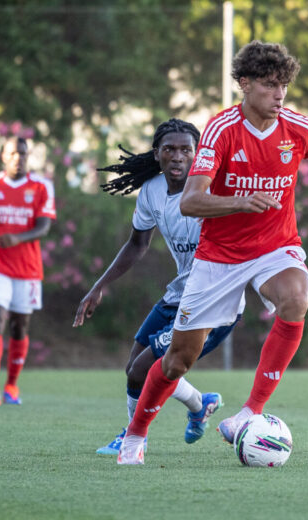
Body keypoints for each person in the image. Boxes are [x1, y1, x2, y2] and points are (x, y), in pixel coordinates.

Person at [117, 40, 308, 465]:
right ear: (245, 84)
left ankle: (249, 413)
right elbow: (189, 202)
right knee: (177, 361)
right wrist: (240, 201)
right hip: (219, 257)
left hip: (275, 246)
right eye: (270, 86)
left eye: (284, 86)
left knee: (296, 297)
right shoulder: (221, 130)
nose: (279, 95)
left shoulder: (296, 127)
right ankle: (134, 436)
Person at [74, 118, 237, 455]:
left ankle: (135, 437)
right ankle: (199, 403)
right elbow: (137, 244)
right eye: (170, 149)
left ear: (198, 154)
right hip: (177, 294)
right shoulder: (151, 189)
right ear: (157, 154)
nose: (178, 156)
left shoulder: (215, 188)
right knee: (134, 367)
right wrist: (98, 286)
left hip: (212, 302)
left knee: (141, 370)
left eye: (186, 150)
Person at [0, 136, 56, 406]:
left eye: (23, 153)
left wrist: (16, 239)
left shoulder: (43, 186)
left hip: (28, 270)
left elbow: (43, 227)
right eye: (13, 153)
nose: (19, 158)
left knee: (20, 326)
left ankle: (11, 386)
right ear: (4, 157)